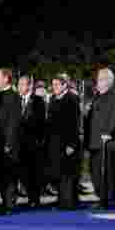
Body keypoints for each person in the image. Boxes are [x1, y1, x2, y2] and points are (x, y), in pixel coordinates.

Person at [85, 67, 115, 210]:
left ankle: (106, 199)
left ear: (108, 81)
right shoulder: (96, 97)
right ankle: (102, 196)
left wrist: (108, 132)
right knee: (95, 171)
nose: (97, 82)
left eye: (100, 79)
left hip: (107, 141)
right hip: (94, 141)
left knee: (106, 171)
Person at [47, 73, 81, 209]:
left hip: (68, 143)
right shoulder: (53, 99)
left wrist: (72, 144)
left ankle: (69, 201)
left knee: (68, 173)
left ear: (64, 85)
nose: (53, 87)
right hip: (55, 143)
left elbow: (75, 123)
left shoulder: (72, 99)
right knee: (59, 173)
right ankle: (61, 199)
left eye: (56, 85)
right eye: (53, 84)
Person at [0, 68, 21, 214]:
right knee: (0, 174)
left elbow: (13, 122)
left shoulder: (14, 96)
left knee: (9, 174)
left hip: (8, 143)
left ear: (6, 79)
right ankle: (3, 202)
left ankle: (10, 204)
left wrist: (9, 143)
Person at [16, 74, 47, 208]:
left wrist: (39, 141)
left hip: (33, 143)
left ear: (29, 86)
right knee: (23, 173)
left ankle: (35, 198)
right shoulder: (17, 100)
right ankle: (29, 196)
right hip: (20, 143)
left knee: (34, 173)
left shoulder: (38, 101)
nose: (19, 87)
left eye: (22, 84)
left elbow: (40, 122)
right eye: (19, 84)